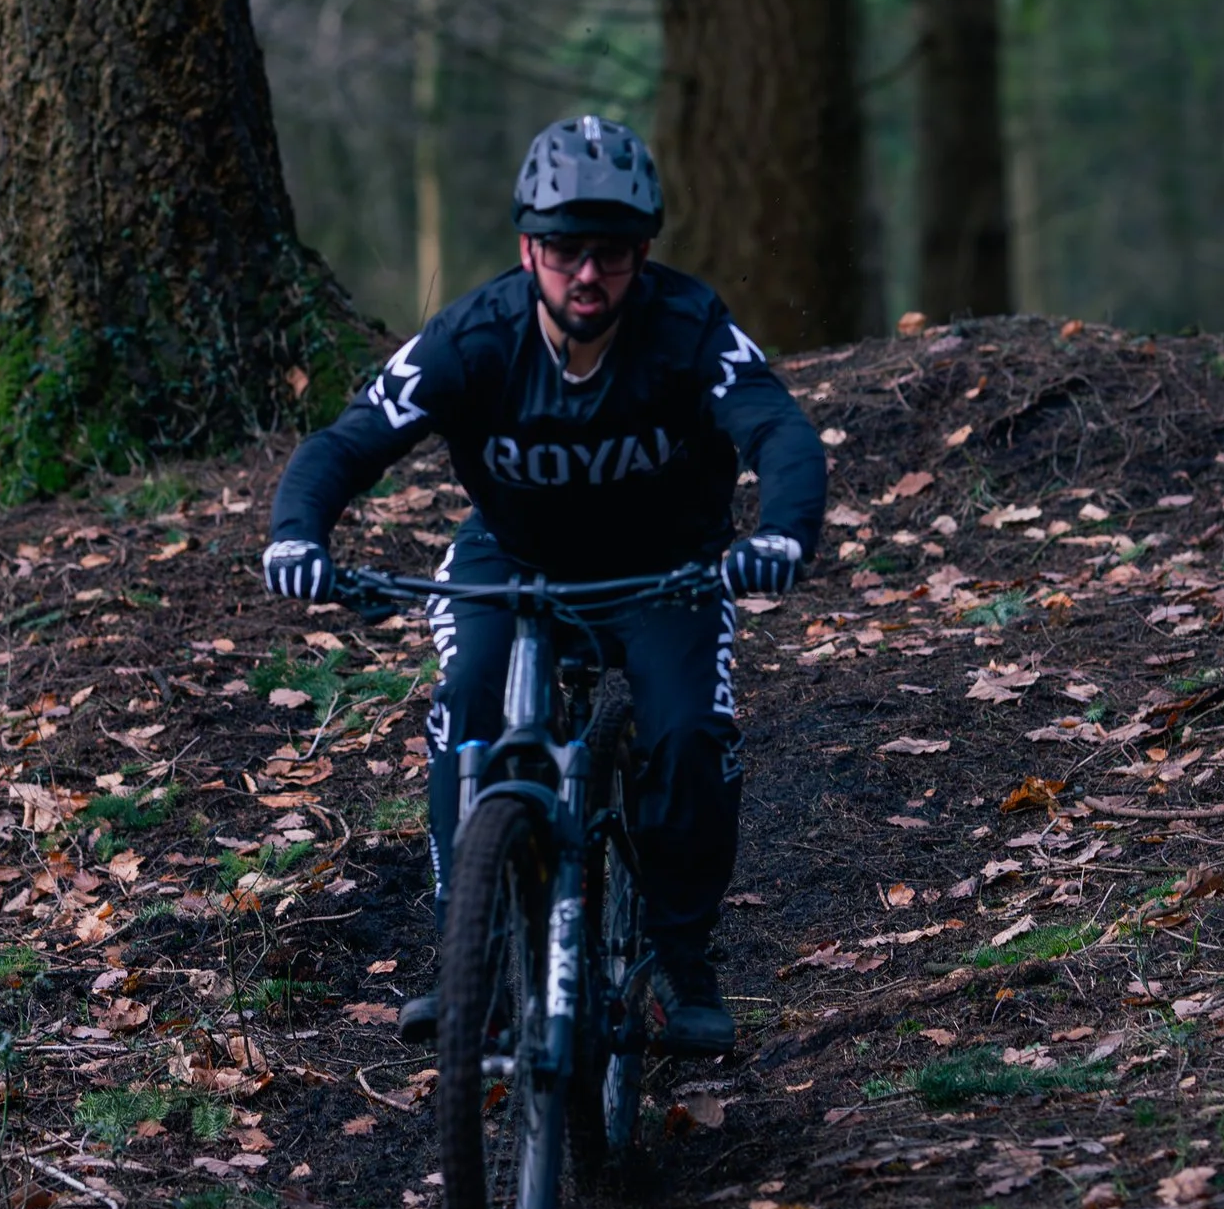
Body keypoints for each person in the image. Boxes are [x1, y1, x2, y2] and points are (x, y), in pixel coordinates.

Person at [262, 115, 824, 1061]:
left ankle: (685, 960)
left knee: (688, 735)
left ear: (642, 253)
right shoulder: (473, 339)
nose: (588, 275)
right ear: (529, 249)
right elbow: (349, 442)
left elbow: (780, 431)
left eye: (610, 252)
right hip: (511, 559)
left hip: (669, 570)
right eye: (565, 251)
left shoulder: (689, 330)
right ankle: (464, 952)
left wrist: (779, 534)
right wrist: (295, 536)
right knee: (466, 703)